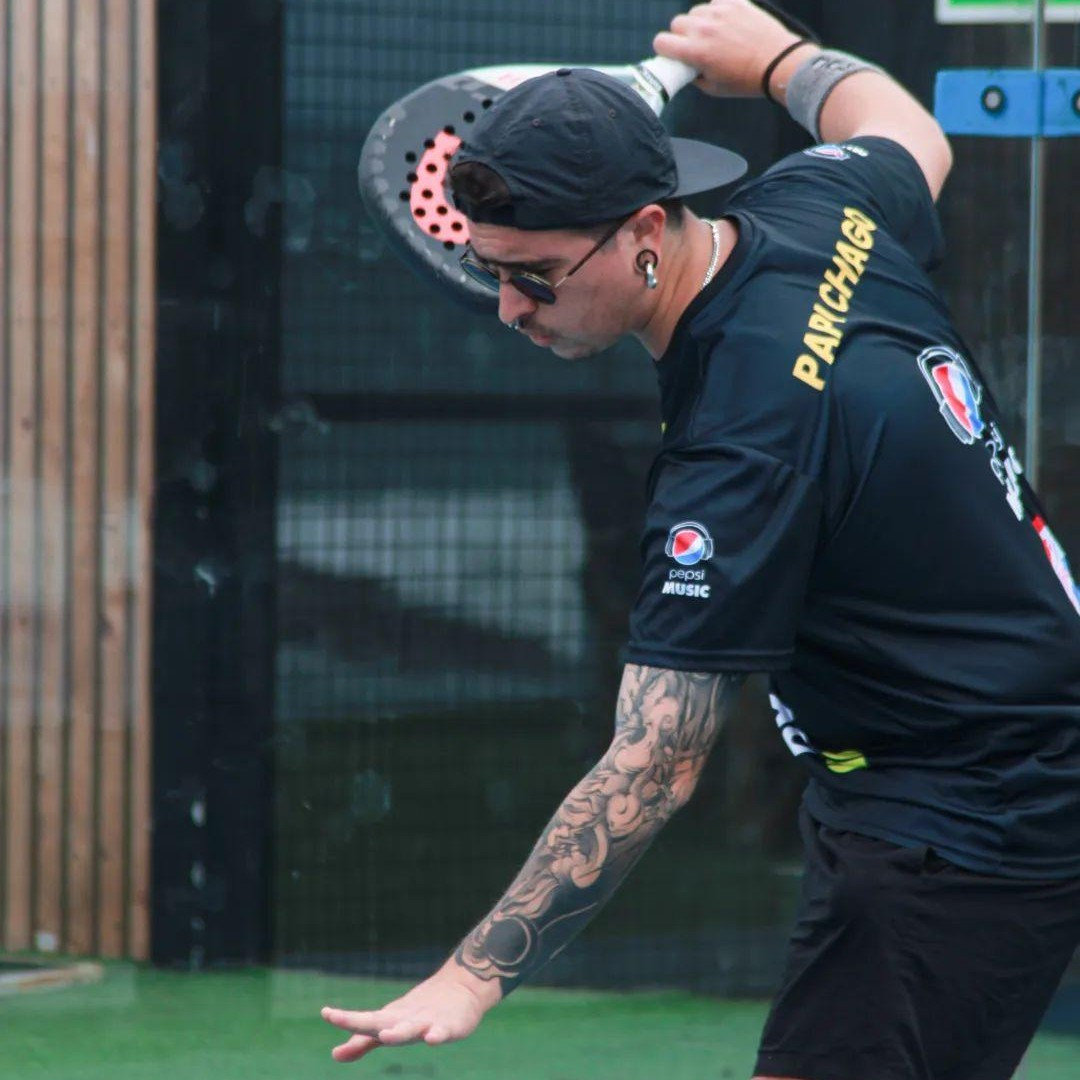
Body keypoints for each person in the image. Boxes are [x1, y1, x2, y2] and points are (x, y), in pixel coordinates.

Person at [323, 2, 1080, 1077]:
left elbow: (656, 762)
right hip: (974, 768)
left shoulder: (741, 450)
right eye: (491, 270)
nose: (508, 309)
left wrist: (471, 976)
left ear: (644, 229)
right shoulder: (822, 204)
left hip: (962, 823)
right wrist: (782, 61)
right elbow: (909, 130)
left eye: (535, 274)